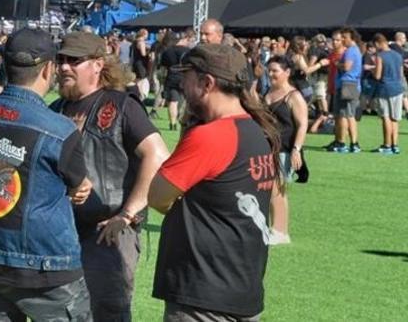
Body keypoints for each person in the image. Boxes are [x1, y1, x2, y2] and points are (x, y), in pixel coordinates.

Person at [0, 28, 93, 322]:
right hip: (46, 265)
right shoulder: (59, 129)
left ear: (2, 64)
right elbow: (78, 185)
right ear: (49, 69)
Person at [148, 44, 283, 321]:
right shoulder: (258, 132)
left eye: (186, 75)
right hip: (242, 288)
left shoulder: (212, 135)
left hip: (203, 292)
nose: (182, 83)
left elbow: (157, 197)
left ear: (207, 82)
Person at [51, 31, 169, 321]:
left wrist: (127, 215)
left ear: (97, 64)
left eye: (74, 60)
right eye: (61, 59)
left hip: (107, 234)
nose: (64, 66)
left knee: (106, 314)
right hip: (61, 232)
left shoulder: (120, 105)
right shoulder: (55, 109)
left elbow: (157, 155)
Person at [263, 55, 307, 244]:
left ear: (287, 73)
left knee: (277, 189)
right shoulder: (268, 93)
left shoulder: (294, 96)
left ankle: (280, 231)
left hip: (286, 149)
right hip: (267, 147)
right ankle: (272, 228)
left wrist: (296, 149)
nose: (271, 74)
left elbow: (302, 124)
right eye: (269, 70)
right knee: (268, 188)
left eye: (275, 71)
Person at [330, 28, 363, 153]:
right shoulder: (355, 50)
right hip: (351, 84)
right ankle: (351, 143)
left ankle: (346, 143)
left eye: (345, 37)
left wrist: (337, 64)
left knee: (346, 115)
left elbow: (347, 67)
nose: (343, 40)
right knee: (348, 115)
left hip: (348, 84)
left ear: (352, 38)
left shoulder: (350, 51)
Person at [371, 33, 403, 154]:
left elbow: (378, 76)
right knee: (395, 118)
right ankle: (395, 145)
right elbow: (400, 75)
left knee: (386, 117)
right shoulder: (398, 55)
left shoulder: (380, 56)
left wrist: (372, 69)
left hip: (385, 89)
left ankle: (386, 145)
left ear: (378, 43)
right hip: (397, 89)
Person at [157, 30, 192, 130]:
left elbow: (162, 68)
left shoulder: (167, 51)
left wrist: (162, 81)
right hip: (185, 78)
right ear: (184, 39)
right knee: (186, 101)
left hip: (171, 78)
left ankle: (173, 124)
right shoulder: (188, 51)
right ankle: (182, 119)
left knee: (173, 101)